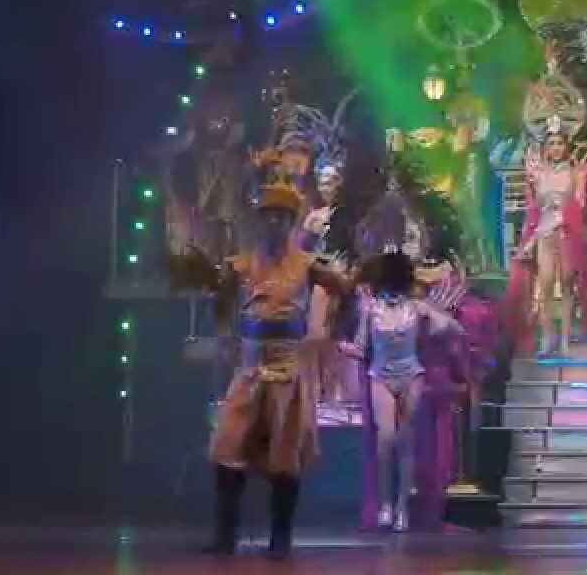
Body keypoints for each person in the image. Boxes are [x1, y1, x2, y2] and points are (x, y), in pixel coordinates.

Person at [175, 178, 351, 560]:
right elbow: (221, 300)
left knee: (284, 457)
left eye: (281, 217)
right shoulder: (242, 264)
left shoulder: (307, 264)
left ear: (290, 222)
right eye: (268, 216)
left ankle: (280, 540)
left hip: (287, 366)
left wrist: (331, 332)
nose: (274, 224)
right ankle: (225, 538)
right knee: (228, 446)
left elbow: (344, 290)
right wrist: (226, 334)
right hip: (251, 365)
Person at [340, 250, 466, 532]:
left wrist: (439, 322)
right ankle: (385, 503)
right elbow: (361, 346)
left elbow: (454, 329)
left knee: (406, 440)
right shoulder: (371, 309)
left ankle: (401, 507)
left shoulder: (417, 308)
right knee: (386, 437)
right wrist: (342, 347)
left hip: (411, 375)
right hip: (380, 376)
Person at [504, 115, 587, 356]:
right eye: (552, 144)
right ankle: (547, 337)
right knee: (546, 284)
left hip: (566, 232)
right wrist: (529, 237)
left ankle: (565, 339)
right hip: (544, 233)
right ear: (546, 148)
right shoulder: (537, 173)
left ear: (566, 145)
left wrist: (566, 213)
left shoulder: (576, 174)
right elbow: (532, 208)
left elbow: (580, 203)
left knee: (567, 283)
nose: (556, 148)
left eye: (560, 143)